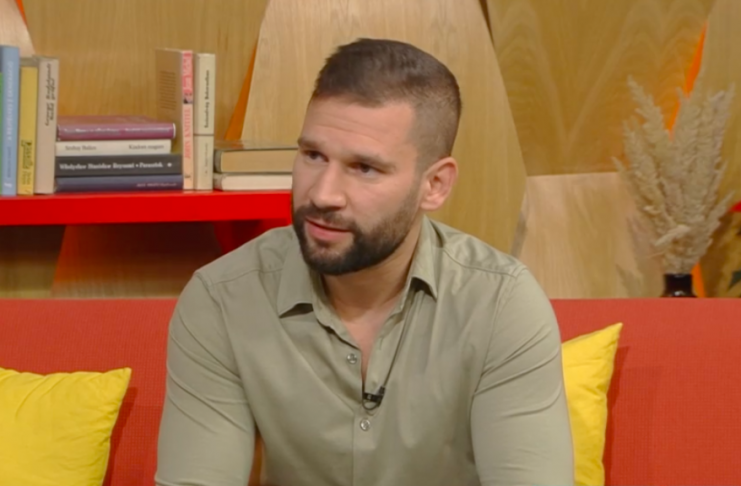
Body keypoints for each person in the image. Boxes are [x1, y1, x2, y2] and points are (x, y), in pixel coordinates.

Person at [155, 38, 574, 486]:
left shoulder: (499, 305)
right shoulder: (223, 299)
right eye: (313, 155)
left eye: (364, 168)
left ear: (434, 185)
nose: (323, 194)